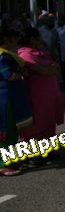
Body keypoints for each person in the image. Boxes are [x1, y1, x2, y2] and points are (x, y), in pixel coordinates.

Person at [16, 28, 64, 153]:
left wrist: (51, 69)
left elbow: (55, 65)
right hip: (37, 94)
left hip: (49, 94)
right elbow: (42, 70)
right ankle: (36, 151)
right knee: (38, 122)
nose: (40, 40)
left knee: (50, 120)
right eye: (38, 37)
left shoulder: (40, 51)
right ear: (32, 39)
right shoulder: (25, 54)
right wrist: (51, 69)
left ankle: (48, 149)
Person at [0, 28, 33, 176]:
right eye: (14, 37)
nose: (16, 41)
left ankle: (11, 160)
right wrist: (21, 73)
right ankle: (3, 164)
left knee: (12, 131)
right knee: (5, 131)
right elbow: (8, 75)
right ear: (7, 39)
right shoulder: (2, 57)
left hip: (10, 97)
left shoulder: (7, 55)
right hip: (4, 99)